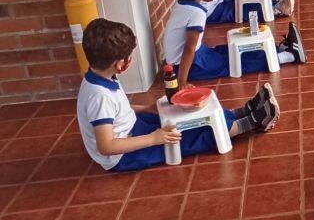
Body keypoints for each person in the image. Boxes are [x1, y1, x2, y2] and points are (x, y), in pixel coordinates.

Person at [76, 19, 279, 172]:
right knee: (188, 135)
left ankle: (238, 113)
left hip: (132, 127)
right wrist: (153, 139)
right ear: (121, 65)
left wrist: (146, 109)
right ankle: (250, 123)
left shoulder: (102, 77)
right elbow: (106, 145)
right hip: (124, 155)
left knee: (179, 112)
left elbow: (117, 114)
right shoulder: (98, 96)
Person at [163, 0, 306, 82]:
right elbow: (189, 47)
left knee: (227, 51)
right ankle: (288, 56)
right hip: (190, 66)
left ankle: (277, 49)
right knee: (233, 62)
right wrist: (181, 82)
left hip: (193, 57)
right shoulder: (196, 13)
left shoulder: (182, 4)